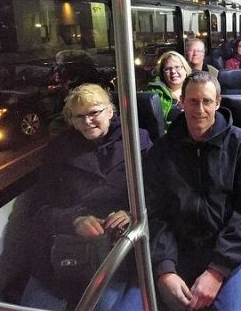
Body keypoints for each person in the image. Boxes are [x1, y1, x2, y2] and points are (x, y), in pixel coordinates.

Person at [19, 84, 150, 311]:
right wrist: (75, 220)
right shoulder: (59, 149)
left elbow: (156, 193)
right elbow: (39, 208)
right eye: (79, 116)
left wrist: (131, 213)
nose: (87, 121)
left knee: (105, 304)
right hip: (65, 249)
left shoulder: (137, 141)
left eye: (94, 113)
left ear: (110, 111)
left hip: (117, 249)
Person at [145, 72, 241, 311]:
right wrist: (164, 268)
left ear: (218, 103)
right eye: (192, 101)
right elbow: (155, 213)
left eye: (207, 101)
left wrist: (217, 271)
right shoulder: (162, 151)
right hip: (178, 248)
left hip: (230, 249)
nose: (199, 109)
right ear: (181, 102)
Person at [145, 50, 192, 132]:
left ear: (185, 69)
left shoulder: (196, 88)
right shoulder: (155, 94)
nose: (173, 72)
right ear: (162, 74)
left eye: (177, 67)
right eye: (167, 69)